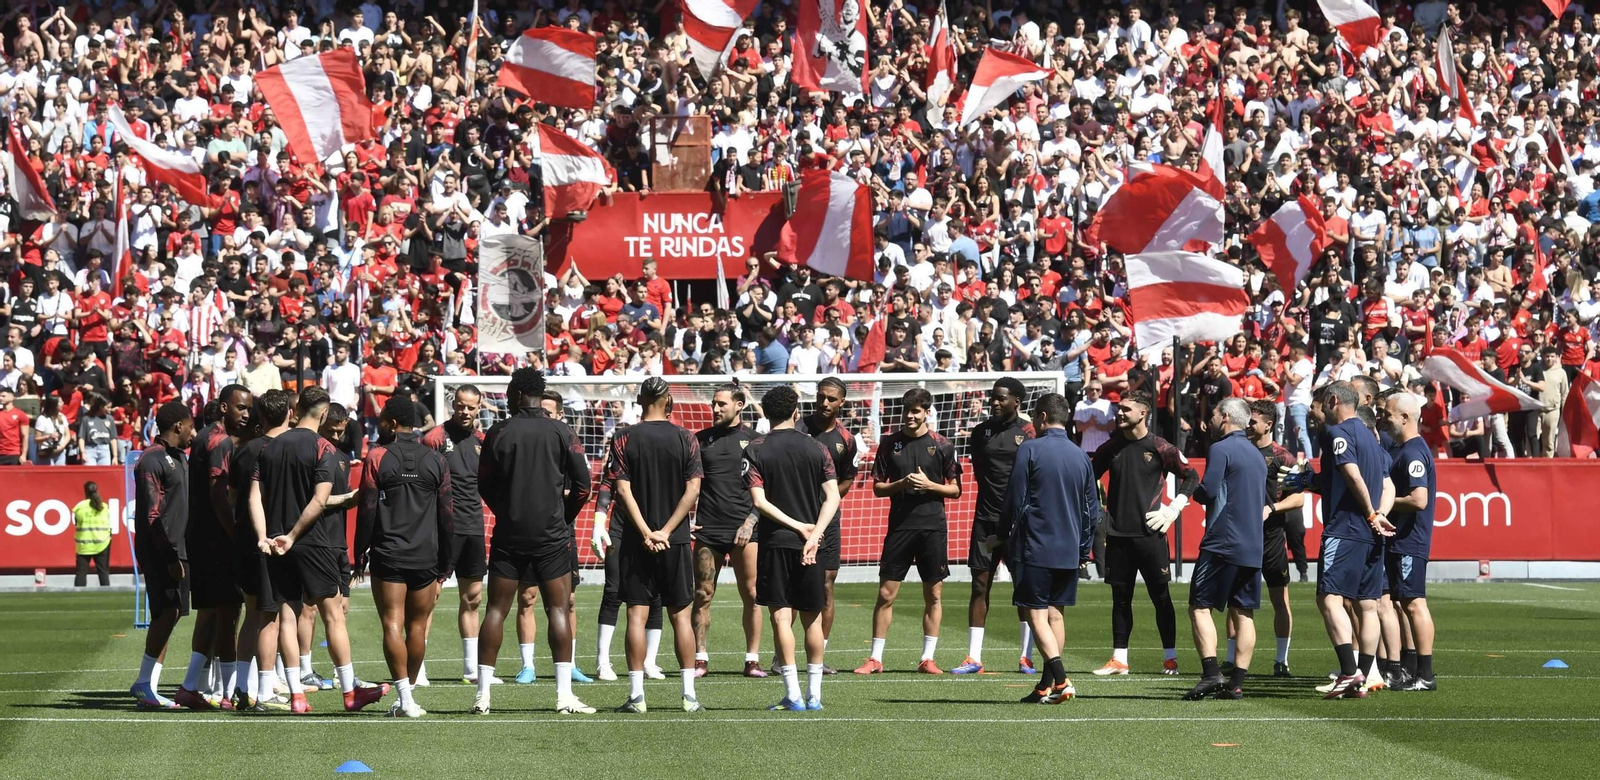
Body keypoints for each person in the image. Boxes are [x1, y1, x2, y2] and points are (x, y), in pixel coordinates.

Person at [473, 369, 594, 715]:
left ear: (515, 394)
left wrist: (507, 510)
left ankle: (483, 696)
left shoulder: (498, 431)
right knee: (557, 609)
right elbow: (583, 487)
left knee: (496, 610)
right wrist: (563, 516)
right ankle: (564, 696)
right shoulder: (561, 431)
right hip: (551, 535)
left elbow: (484, 484)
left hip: (509, 534)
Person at [252, 387, 374, 715]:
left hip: (276, 542)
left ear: (295, 411)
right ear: (322, 414)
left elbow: (254, 496)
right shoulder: (323, 447)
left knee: (287, 615)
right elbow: (319, 501)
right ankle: (350, 691)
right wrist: (293, 535)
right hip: (311, 540)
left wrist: (265, 536)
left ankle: (296, 695)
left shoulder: (270, 446)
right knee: (333, 614)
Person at [607, 377, 704, 713]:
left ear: (640, 399)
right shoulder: (686, 437)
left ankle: (637, 697)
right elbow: (693, 490)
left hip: (637, 540)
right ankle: (689, 696)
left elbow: (622, 491)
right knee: (681, 616)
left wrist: (647, 532)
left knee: (636, 615)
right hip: (675, 541)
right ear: (668, 401)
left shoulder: (624, 437)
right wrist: (666, 531)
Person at [1294, 382, 1395, 699]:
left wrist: (1370, 513)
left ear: (1333, 401)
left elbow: (1352, 475)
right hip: (1370, 533)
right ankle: (1363, 676)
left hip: (1346, 528)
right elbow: (1386, 484)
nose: (1318, 411)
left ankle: (1349, 672)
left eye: (1321, 403)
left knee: (1329, 599)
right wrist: (1379, 513)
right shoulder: (1372, 437)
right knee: (1368, 605)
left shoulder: (1338, 434)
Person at [354, 396, 453, 717]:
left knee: (392, 624)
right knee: (418, 627)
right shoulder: (436, 460)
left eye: (383, 420)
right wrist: (447, 559)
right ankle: (408, 697)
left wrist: (359, 552)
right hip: (426, 555)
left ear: (392, 423)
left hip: (389, 554)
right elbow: (447, 514)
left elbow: (367, 510)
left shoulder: (377, 457)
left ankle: (405, 699)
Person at [744, 385, 841, 711]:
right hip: (811, 545)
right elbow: (833, 497)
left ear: (767, 414)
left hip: (775, 543)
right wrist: (813, 535)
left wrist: (798, 527)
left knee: (781, 619)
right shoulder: (817, 447)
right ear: (796, 412)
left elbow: (759, 502)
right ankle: (815, 696)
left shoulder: (755, 449)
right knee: (813, 621)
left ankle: (793, 695)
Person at [998, 392, 1098, 704]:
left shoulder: (1030, 448)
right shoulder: (1080, 455)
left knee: (1036, 613)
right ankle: (1046, 685)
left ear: (1041, 417)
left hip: (1037, 544)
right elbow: (1092, 509)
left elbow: (1015, 498)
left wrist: (1001, 535)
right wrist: (1083, 550)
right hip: (1069, 547)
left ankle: (1062, 679)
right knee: (1056, 615)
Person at [1089, 391, 1197, 677]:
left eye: (1126, 409)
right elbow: (1087, 478)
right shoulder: (1110, 447)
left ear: (1143, 413)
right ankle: (1119, 660)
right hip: (1117, 536)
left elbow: (1192, 476)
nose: (1120, 413)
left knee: (1160, 597)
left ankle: (1170, 658)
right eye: (1119, 408)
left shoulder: (1161, 447)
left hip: (1151, 535)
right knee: (1120, 599)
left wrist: (1174, 508)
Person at [856, 387, 961, 675]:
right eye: (906, 410)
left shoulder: (942, 445)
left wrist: (930, 486)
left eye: (916, 411)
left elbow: (955, 490)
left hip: (932, 527)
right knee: (886, 594)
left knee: (934, 594)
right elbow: (878, 488)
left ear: (927, 412)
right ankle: (875, 658)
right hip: (900, 527)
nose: (910, 416)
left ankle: (928, 658)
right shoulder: (890, 443)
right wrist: (901, 484)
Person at [1181, 397, 1269, 701]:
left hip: (1223, 541)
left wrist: (1190, 491)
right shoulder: (1257, 454)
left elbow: (1209, 490)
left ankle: (1211, 673)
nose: (1211, 420)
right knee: (1244, 612)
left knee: (1199, 606)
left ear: (1227, 417)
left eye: (1215, 415)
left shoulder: (1221, 449)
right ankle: (1236, 683)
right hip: (1253, 544)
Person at [173, 385, 251, 710]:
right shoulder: (220, 442)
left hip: (200, 536)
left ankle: (191, 685)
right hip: (216, 540)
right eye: (240, 407)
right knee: (228, 613)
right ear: (223, 407)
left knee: (208, 613)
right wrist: (235, 533)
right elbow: (219, 495)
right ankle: (229, 692)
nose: (246, 414)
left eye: (249, 409)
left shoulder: (204, 437)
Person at [953, 377, 1037, 676]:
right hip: (985, 520)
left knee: (1023, 588)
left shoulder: (1030, 433)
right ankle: (973, 657)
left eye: (1002, 398)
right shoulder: (980, 432)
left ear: (1017, 401)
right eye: (993, 397)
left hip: (1020, 523)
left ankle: (1026, 657)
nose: (995, 402)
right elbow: (980, 472)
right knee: (979, 585)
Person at [421, 385, 496, 685]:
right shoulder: (435, 438)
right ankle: (417, 668)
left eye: (470, 407)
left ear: (479, 407)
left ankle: (471, 669)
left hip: (473, 527)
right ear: (453, 404)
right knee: (429, 598)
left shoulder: (483, 441)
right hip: (442, 529)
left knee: (473, 598)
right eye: (460, 406)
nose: (465, 412)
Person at [690, 384, 763, 678]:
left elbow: (767, 491)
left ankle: (752, 660)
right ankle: (700, 659)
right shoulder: (699, 440)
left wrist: (750, 522)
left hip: (746, 531)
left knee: (753, 594)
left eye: (721, 404)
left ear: (739, 405)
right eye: (714, 404)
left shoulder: (756, 441)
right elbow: (687, 486)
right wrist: (685, 521)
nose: (716, 409)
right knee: (702, 593)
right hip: (708, 530)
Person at [129, 401, 196, 709]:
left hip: (178, 547)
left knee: (171, 613)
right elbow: (152, 514)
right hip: (160, 549)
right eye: (191, 426)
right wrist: (169, 556)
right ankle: (144, 683)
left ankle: (149, 686)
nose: (193, 432)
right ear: (178, 426)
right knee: (166, 612)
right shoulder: (151, 459)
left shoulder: (179, 457)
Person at [230, 390, 294, 711]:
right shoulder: (286, 448)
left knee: (252, 613)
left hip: (244, 539)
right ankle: (265, 690)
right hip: (272, 541)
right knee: (271, 617)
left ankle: (242, 687)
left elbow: (232, 496)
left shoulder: (244, 450)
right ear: (289, 414)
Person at [589, 422, 667, 682]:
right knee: (613, 590)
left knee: (655, 593)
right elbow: (608, 483)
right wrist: (599, 521)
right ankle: (602, 661)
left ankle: (650, 661)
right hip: (622, 526)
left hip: (657, 525)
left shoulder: (670, 443)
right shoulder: (624, 441)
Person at [1231, 400, 1303, 678]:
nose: (1248, 426)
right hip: (1241, 536)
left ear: (1268, 424)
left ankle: (1281, 660)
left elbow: (1298, 499)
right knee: (1235, 600)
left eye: (1253, 422)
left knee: (1279, 599)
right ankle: (1230, 658)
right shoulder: (1239, 450)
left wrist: (1271, 508)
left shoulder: (1283, 457)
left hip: (1272, 537)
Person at [793, 375, 859, 674]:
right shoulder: (797, 429)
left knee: (826, 585)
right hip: (796, 517)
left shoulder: (846, 440)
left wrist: (826, 500)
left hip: (828, 520)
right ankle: (783, 654)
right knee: (792, 585)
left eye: (831, 398)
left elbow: (846, 480)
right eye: (821, 396)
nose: (824, 402)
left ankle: (820, 655)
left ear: (841, 402)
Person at [1378, 392, 1439, 692]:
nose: (1384, 419)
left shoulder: (1413, 453)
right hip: (1402, 540)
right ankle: (1415, 671)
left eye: (1389, 414)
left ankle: (1425, 675)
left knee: (1414, 604)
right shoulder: (1405, 450)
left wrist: (1383, 504)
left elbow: (1419, 499)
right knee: (1406, 603)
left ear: (1404, 418)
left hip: (1410, 540)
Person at [72, 481, 113, 587]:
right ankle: (106, 595)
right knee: (103, 572)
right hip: (102, 543)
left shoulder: (79, 507)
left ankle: (78, 595)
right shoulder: (104, 506)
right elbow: (109, 523)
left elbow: (76, 522)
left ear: (85, 491)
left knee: (81, 573)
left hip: (84, 545)